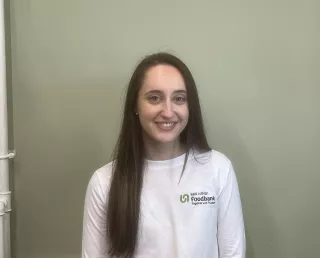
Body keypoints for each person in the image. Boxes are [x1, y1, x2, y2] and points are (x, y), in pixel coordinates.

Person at [82, 52, 246, 258]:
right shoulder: (104, 183)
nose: (168, 111)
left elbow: (233, 253)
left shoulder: (218, 168)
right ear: (135, 105)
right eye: (154, 98)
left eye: (179, 98)